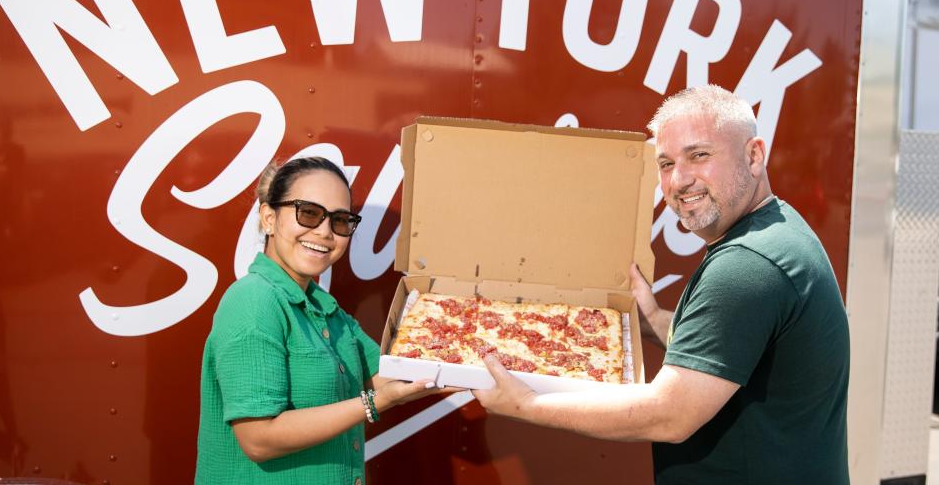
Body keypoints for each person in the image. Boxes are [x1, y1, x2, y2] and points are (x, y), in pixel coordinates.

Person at [472, 85, 850, 484]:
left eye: (699, 155)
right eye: (666, 164)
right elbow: (732, 348)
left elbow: (670, 414)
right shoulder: (777, 231)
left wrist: (526, 404)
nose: (680, 180)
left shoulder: (745, 267)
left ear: (754, 155)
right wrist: (651, 318)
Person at [196, 157, 442, 484]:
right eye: (308, 213)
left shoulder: (328, 311)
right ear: (269, 218)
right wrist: (373, 403)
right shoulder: (253, 301)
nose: (325, 232)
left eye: (340, 221)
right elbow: (258, 439)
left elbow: (393, 377)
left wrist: (475, 362)